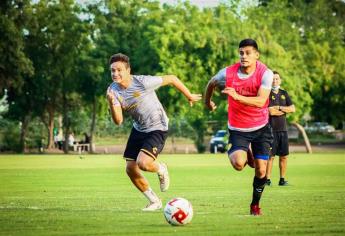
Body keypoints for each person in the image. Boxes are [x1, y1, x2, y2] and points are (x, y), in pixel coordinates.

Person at [106, 53, 201, 211]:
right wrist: (111, 102)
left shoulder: (143, 82)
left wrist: (188, 95)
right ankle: (154, 201)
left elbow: (171, 78)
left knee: (143, 163)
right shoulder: (112, 91)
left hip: (158, 126)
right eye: (112, 70)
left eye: (119, 70)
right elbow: (119, 121)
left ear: (128, 70)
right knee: (130, 168)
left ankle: (161, 168)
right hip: (139, 128)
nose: (115, 74)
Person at [204, 39, 273, 216]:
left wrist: (236, 96)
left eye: (248, 53)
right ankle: (245, 150)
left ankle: (255, 205)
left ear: (256, 55)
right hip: (238, 129)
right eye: (241, 53)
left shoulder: (266, 73)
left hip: (261, 128)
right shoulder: (227, 73)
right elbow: (211, 82)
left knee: (262, 170)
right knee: (238, 164)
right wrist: (207, 102)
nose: (244, 56)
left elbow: (260, 101)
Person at [266, 71, 295, 186]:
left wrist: (278, 107)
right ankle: (267, 179)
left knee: (283, 156)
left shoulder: (284, 93)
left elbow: (292, 109)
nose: (275, 81)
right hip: (271, 130)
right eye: (273, 79)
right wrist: (283, 110)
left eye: (277, 79)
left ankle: (282, 179)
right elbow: (270, 111)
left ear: (280, 80)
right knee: (270, 157)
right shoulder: (266, 93)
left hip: (283, 130)